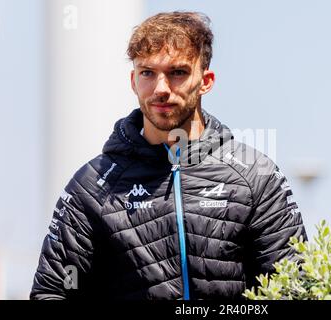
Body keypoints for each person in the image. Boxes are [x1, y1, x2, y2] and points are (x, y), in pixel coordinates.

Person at [30, 11, 307, 300]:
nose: (161, 89)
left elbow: (294, 287)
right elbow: (54, 291)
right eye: (148, 73)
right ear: (134, 80)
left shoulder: (255, 174)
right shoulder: (92, 185)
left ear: (206, 81)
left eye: (178, 72)